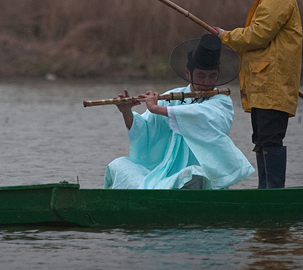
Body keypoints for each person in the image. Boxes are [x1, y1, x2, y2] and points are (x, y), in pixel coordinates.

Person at [104, 33, 254, 190]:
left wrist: (157, 108)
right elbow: (146, 130)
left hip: (202, 171)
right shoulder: (173, 96)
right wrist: (126, 112)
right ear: (188, 73)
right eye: (201, 76)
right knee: (119, 166)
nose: (206, 82)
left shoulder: (221, 101)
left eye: (212, 77)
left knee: (193, 175)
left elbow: (201, 115)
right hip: (164, 170)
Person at [212, 0, 303, 189]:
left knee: (270, 139)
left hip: (272, 84)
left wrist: (224, 35)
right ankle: (266, 192)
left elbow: (257, 35)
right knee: (262, 139)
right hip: (265, 84)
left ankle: (272, 194)